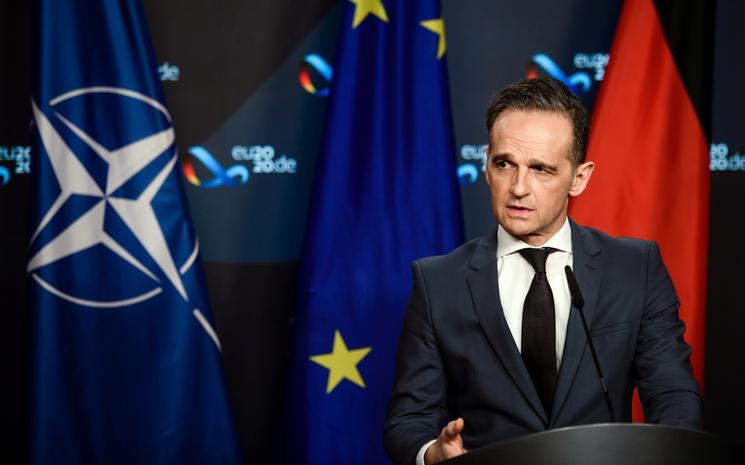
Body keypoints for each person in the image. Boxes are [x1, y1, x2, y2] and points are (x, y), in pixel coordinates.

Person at [383, 77, 702, 465]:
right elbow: (408, 420)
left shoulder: (635, 269)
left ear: (579, 178)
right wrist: (433, 453)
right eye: (505, 164)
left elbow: (674, 398)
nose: (519, 187)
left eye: (541, 169)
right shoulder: (438, 282)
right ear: (486, 165)